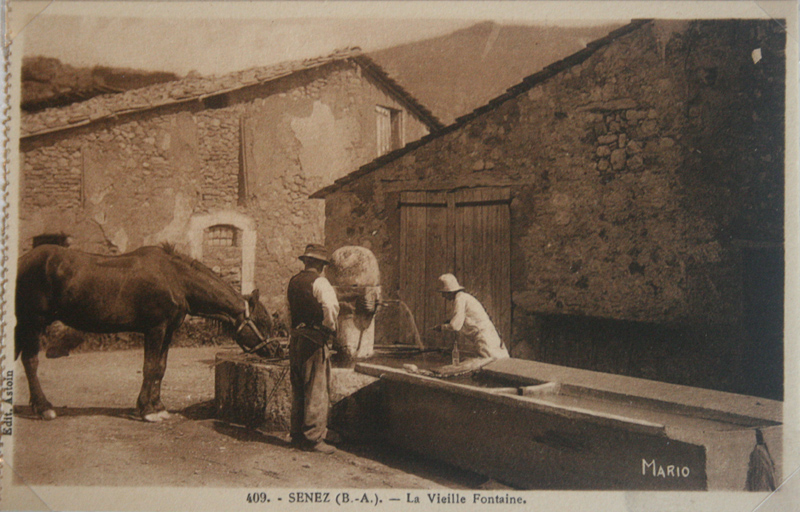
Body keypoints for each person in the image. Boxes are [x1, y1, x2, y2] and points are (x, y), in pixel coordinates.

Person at [287, 244, 340, 454]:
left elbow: (288, 311)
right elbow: (331, 307)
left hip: (296, 338)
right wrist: (329, 328)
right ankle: (314, 439)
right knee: (316, 389)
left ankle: (297, 434)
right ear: (320, 265)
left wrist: (292, 332)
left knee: (298, 388)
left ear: (306, 262)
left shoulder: (293, 282)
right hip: (314, 340)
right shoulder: (321, 282)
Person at [433, 274, 510, 360]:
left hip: (485, 338)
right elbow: (463, 318)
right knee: (500, 363)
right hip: (490, 336)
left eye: (443, 293)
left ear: (449, 291)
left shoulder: (460, 299)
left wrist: (442, 327)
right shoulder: (464, 297)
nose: (443, 296)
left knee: (494, 365)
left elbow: (455, 326)